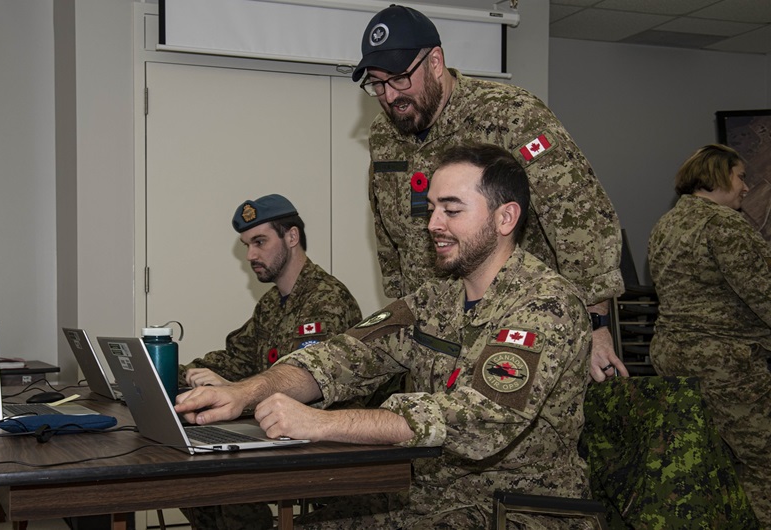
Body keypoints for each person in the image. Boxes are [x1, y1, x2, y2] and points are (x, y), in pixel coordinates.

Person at [176, 143, 594, 529]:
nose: (433, 224)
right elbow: (344, 355)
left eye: (452, 210)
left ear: (505, 217)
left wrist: (321, 423)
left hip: (518, 507)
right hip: (430, 495)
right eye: (431, 208)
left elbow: (479, 420)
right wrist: (247, 392)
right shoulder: (435, 298)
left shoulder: (545, 304)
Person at [351, 4, 625, 382]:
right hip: (436, 333)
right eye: (377, 84)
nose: (389, 95)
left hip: (516, 326)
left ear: (434, 62)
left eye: (398, 78)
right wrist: (404, 317)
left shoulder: (508, 114)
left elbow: (578, 214)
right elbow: (387, 233)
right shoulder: (385, 135)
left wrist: (596, 322)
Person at [179, 193, 362, 530]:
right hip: (274, 429)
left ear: (291, 237)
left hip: (321, 440)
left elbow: (308, 384)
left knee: (220, 481)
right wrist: (175, 376)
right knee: (195, 478)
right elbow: (235, 357)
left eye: (260, 242)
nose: (251, 255)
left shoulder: (327, 299)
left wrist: (235, 389)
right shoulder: (271, 304)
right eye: (247, 244)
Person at [648, 144, 771, 526]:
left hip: (672, 355)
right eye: (740, 175)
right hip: (725, 363)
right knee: (763, 458)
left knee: (706, 458)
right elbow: (763, 292)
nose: (746, 187)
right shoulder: (724, 224)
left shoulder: (667, 224)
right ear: (717, 175)